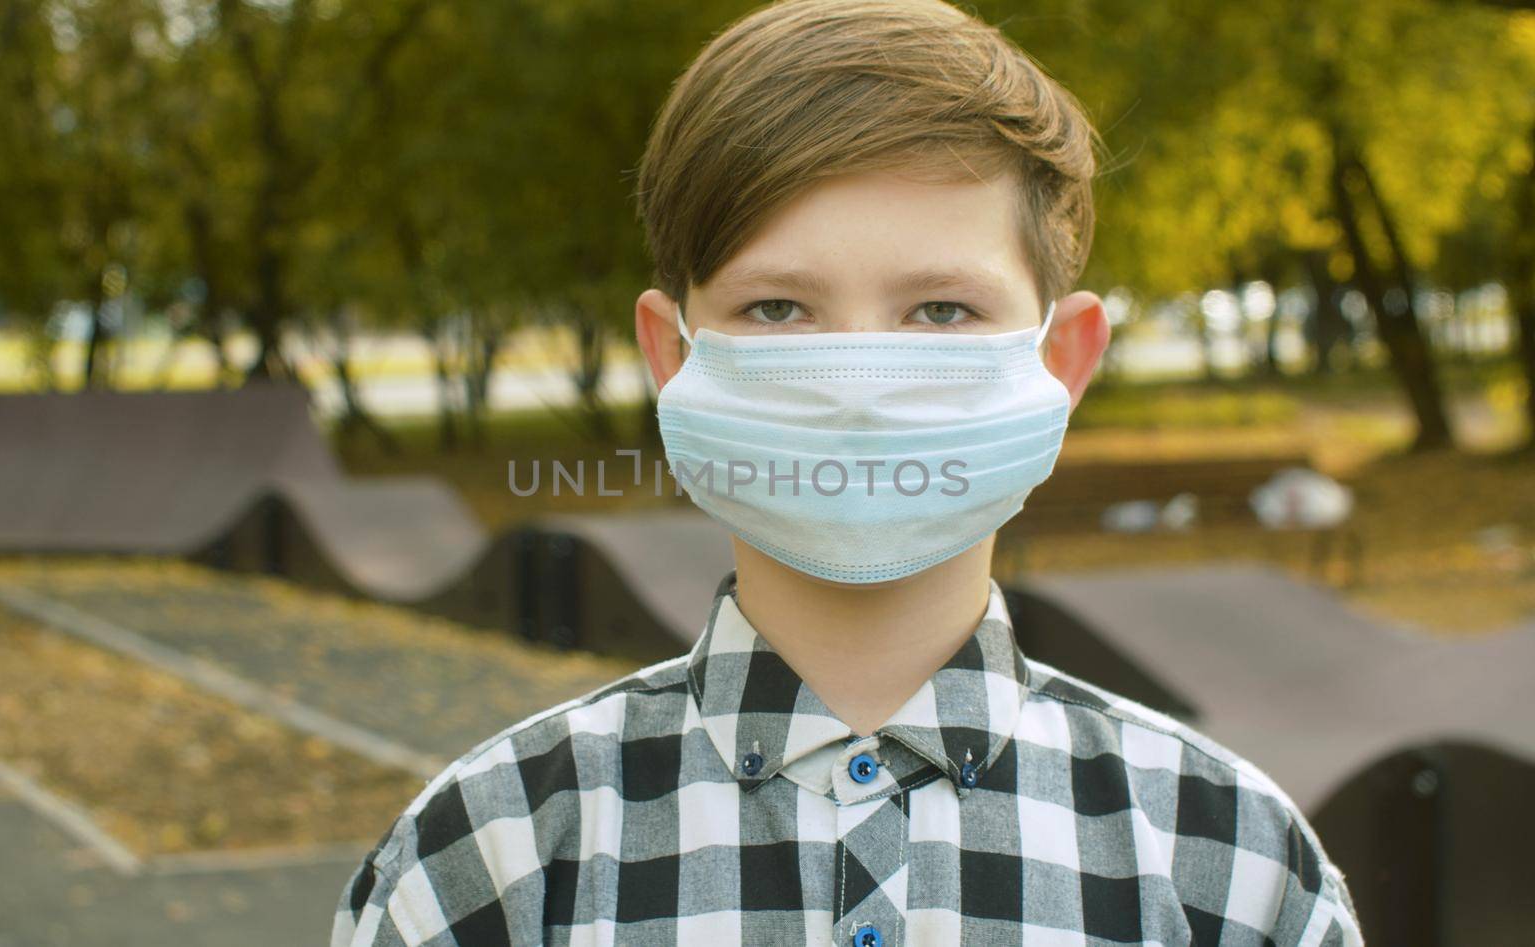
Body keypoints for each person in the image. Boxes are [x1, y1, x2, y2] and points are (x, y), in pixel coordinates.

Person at [331, 0, 1365, 943]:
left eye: (941, 309)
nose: (858, 391)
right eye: (778, 308)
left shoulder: (1232, 868)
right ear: (671, 356)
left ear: (1062, 360)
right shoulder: (485, 857)